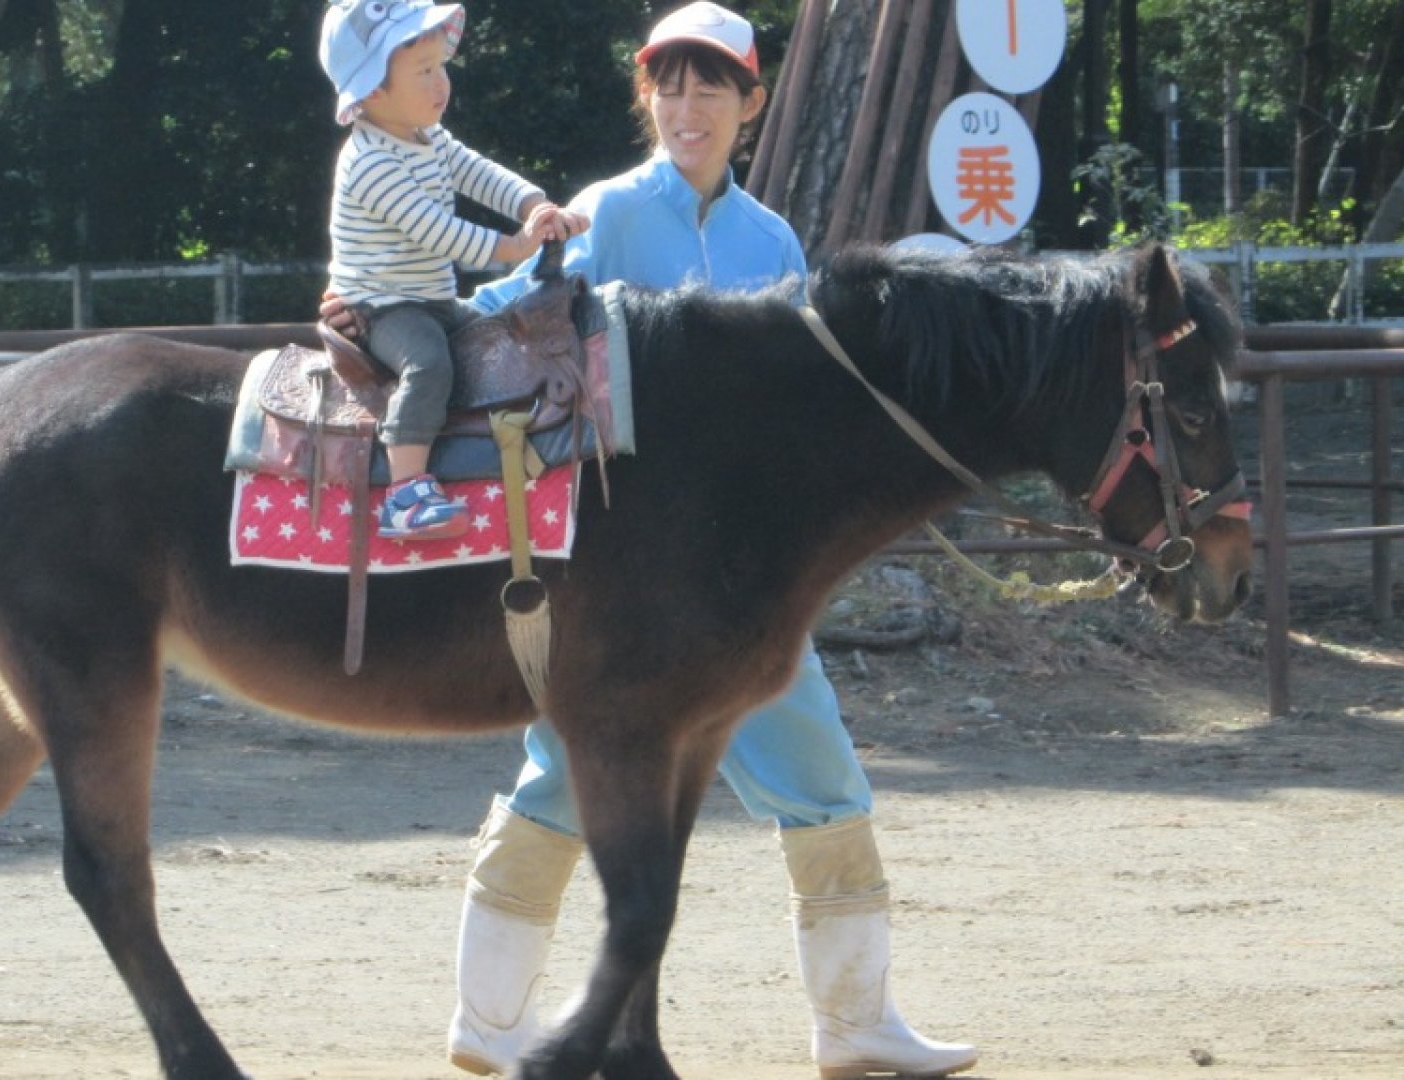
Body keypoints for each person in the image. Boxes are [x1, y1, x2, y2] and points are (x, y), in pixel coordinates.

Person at [439, 5, 982, 1078]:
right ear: (647, 99)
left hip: (748, 588)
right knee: (558, 770)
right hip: (616, 589)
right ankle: (486, 1025)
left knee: (823, 771)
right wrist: (401, 316)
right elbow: (501, 314)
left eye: (711, 89)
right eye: (670, 89)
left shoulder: (771, 242)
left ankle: (856, 1025)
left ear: (752, 102)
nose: (688, 110)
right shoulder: (601, 214)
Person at [318, 0, 588, 540]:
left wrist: (533, 204)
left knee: (500, 337)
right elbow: (438, 230)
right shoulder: (369, 162)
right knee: (428, 364)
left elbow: (479, 174)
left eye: (442, 65)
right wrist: (515, 247)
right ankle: (405, 490)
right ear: (373, 90)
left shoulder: (428, 137)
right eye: (423, 71)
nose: (441, 82)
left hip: (431, 297)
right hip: (382, 305)